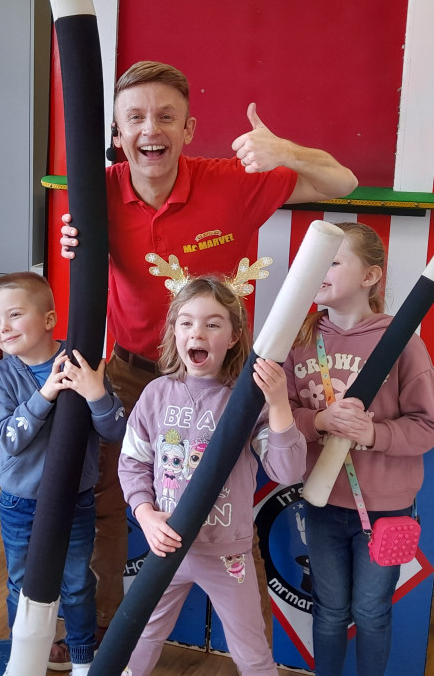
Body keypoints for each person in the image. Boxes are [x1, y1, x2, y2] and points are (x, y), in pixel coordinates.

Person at [60, 60, 358, 650]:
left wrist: (285, 150)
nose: (152, 129)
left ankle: (252, 654)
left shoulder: (229, 181)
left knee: (230, 502)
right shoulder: (97, 192)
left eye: (166, 116)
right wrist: (73, 239)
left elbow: (341, 181)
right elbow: (80, 257)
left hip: (225, 381)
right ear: (117, 135)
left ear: (189, 128)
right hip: (131, 376)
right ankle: (102, 637)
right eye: (136, 118)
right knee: (111, 505)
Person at [118, 276, 307, 676]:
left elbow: (287, 470)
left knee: (251, 648)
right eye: (186, 322)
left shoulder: (245, 401)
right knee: (140, 636)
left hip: (225, 551)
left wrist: (277, 403)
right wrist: (146, 514)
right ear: (174, 331)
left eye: (212, 324)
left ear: (235, 336)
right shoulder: (155, 394)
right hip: (165, 547)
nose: (197, 332)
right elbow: (133, 462)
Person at [282, 223, 434, 676]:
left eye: (333, 261)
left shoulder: (404, 344)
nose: (320, 270)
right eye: (316, 260)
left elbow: (429, 426)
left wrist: (374, 434)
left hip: (387, 514)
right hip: (322, 505)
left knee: (372, 612)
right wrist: (318, 421)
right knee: (329, 611)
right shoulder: (299, 340)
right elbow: (280, 415)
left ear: (370, 276)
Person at [0, 272, 126, 676]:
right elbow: (8, 439)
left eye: (13, 315)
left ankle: (83, 659)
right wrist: (45, 394)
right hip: (20, 502)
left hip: (74, 500)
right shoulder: (3, 375)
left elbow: (115, 429)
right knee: (22, 582)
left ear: (49, 320)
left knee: (77, 581)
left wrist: (94, 393)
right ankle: (25, 658)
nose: (3, 328)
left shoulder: (82, 363)